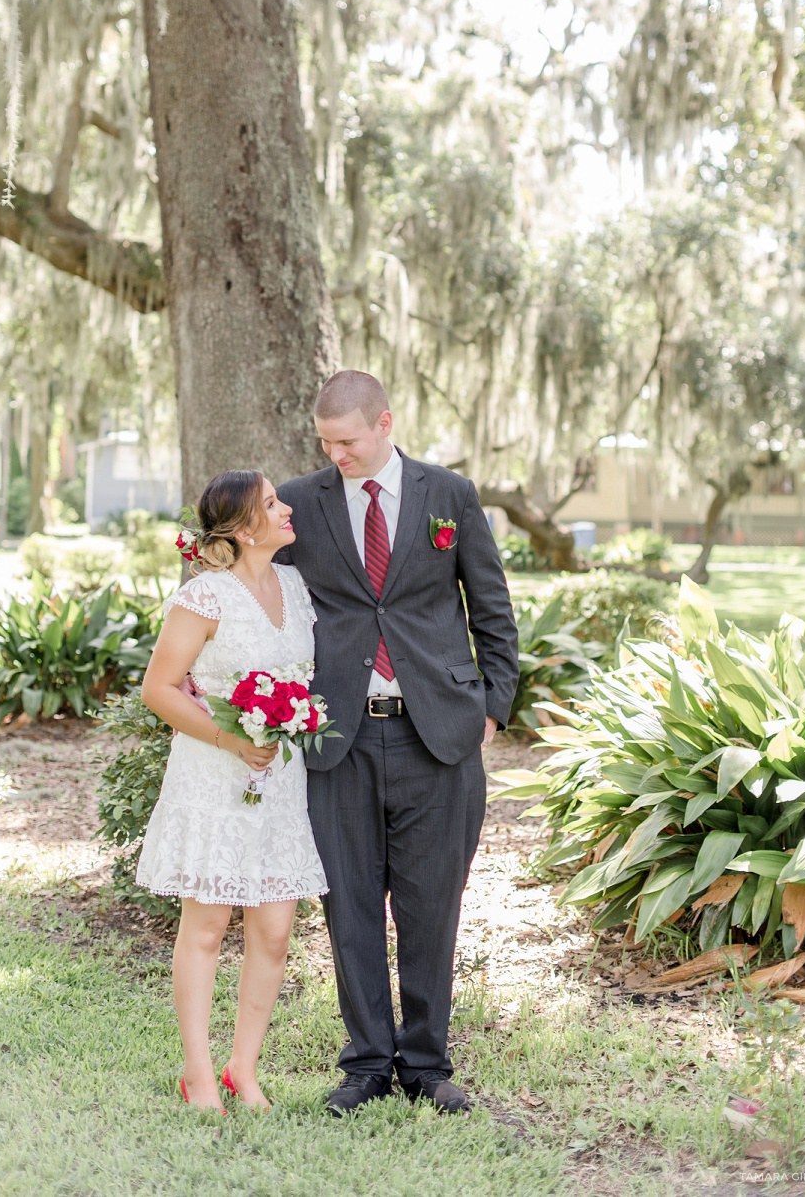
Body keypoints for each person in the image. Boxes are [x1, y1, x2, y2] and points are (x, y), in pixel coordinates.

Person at [275, 369, 519, 1116]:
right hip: (337, 736)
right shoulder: (299, 503)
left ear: (383, 424)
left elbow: (492, 604)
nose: (335, 455)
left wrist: (493, 705)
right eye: (325, 443)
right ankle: (365, 1065)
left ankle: (428, 1064)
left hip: (437, 736)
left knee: (430, 905)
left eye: (346, 441)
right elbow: (268, 606)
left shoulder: (450, 495)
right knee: (347, 905)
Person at [135, 469, 327, 1113]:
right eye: (273, 504)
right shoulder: (206, 596)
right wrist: (232, 741)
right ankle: (196, 1072)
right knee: (208, 926)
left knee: (274, 931)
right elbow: (159, 688)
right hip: (216, 775)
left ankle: (241, 1068)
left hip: (281, 780)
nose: (287, 507)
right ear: (246, 529)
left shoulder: (297, 586)